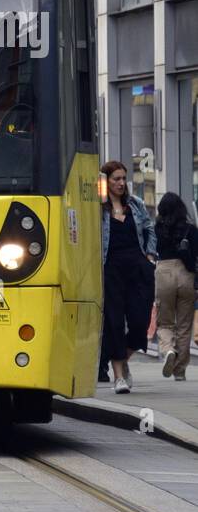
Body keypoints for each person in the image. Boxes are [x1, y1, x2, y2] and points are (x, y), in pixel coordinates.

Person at [100, 160, 157, 394]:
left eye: (124, 178)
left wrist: (151, 256)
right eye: (116, 179)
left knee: (139, 322)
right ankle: (118, 377)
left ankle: (123, 362)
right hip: (111, 269)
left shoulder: (136, 204)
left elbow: (149, 229)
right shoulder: (98, 208)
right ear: (106, 181)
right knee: (114, 322)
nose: (122, 183)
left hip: (138, 268)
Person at [153, 191, 197, 381]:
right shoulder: (191, 229)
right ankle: (179, 371)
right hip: (186, 274)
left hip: (164, 271)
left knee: (165, 322)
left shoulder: (157, 228)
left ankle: (168, 350)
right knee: (185, 325)